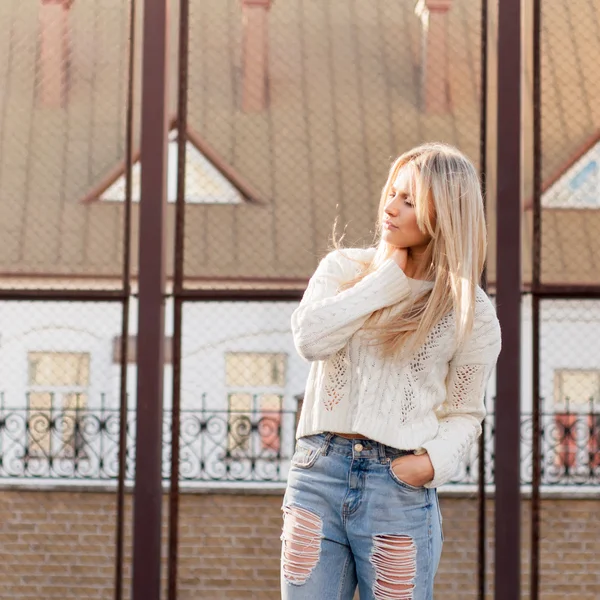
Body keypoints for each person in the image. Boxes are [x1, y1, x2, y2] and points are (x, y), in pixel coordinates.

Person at [280, 142, 502, 600]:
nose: (391, 207)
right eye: (392, 193)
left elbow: (465, 412)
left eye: (409, 200)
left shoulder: (469, 311)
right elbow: (310, 339)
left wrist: (428, 466)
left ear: (445, 214)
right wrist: (384, 281)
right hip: (318, 474)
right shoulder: (343, 270)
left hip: (397, 488)